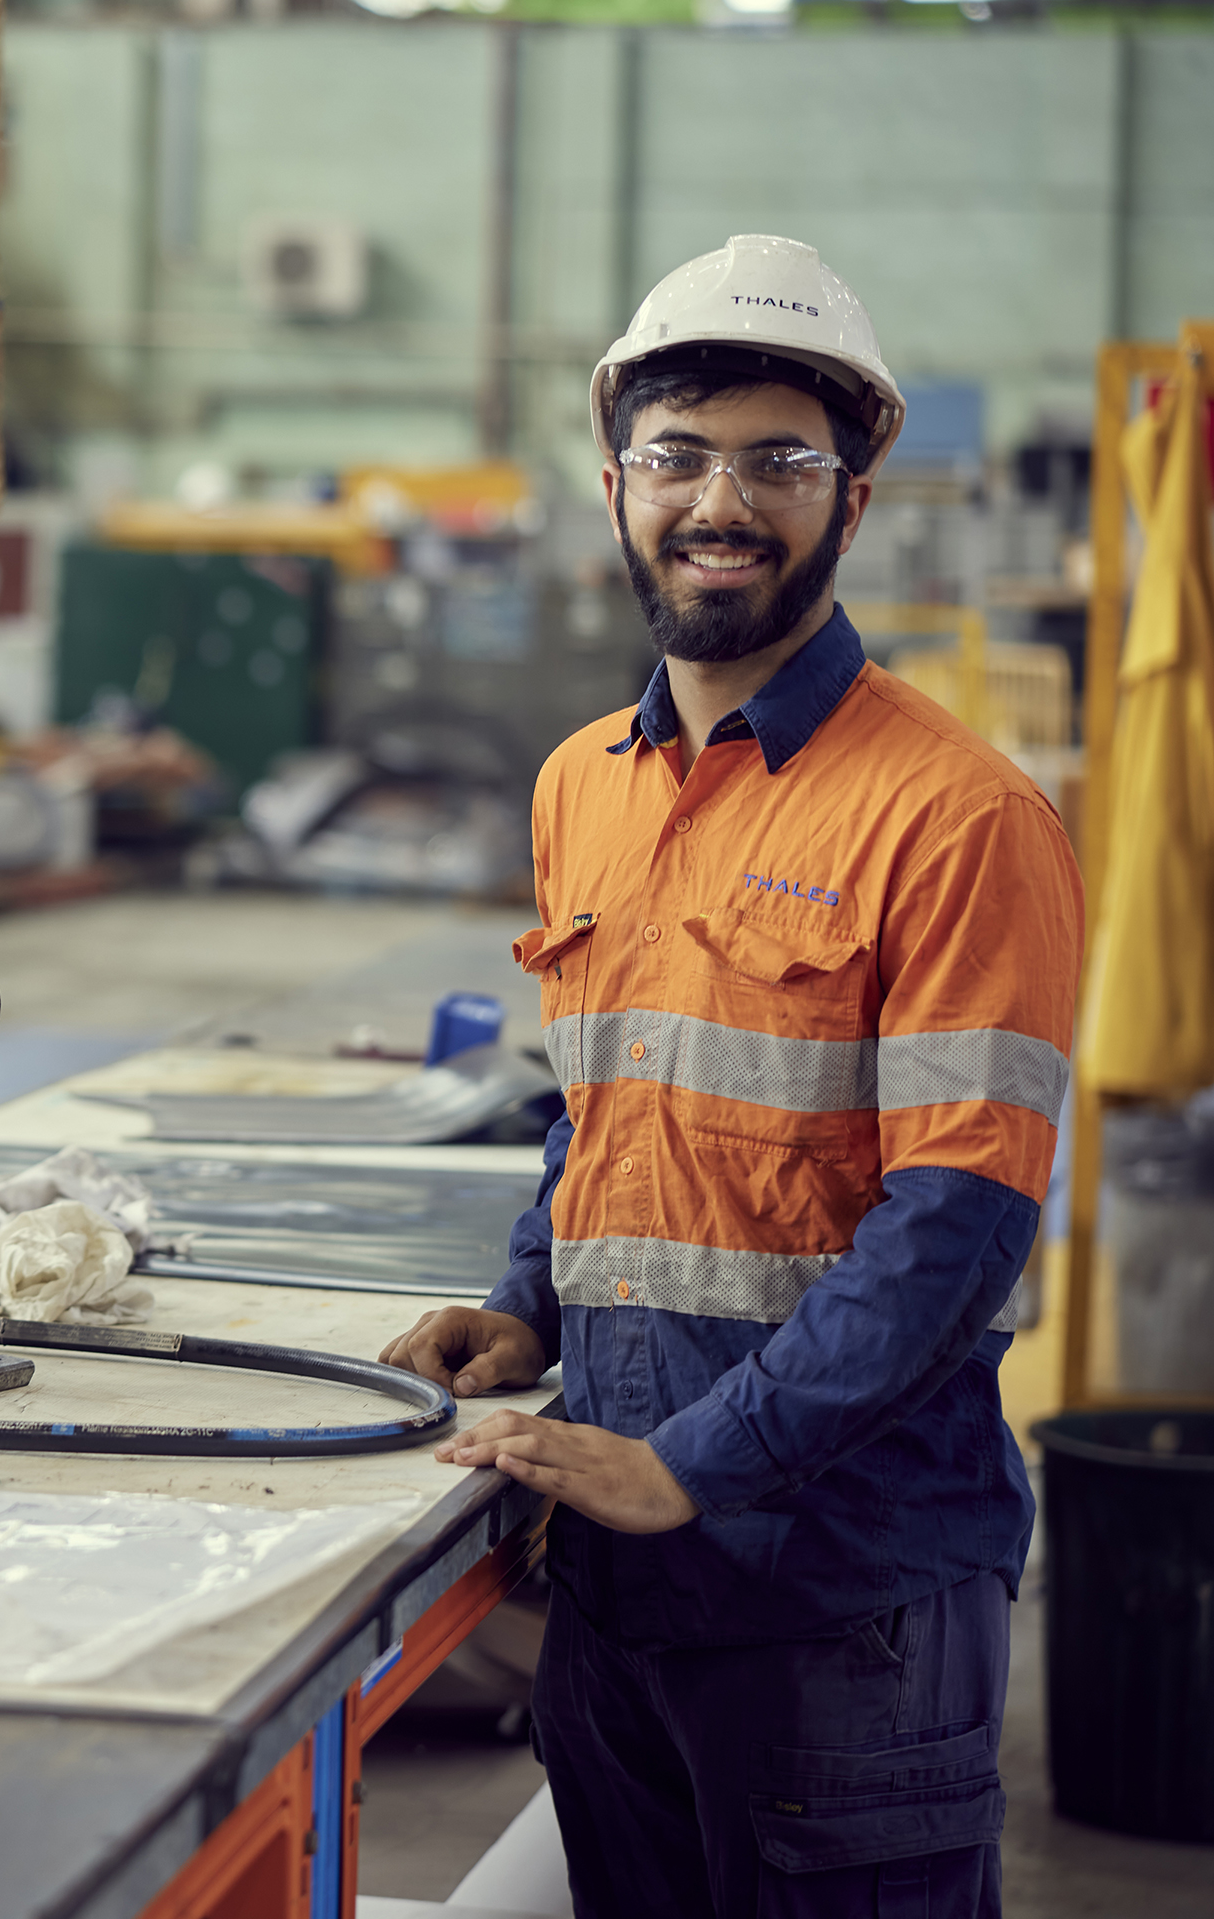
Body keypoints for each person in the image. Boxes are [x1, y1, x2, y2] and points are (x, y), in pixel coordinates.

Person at [380, 236, 1081, 1919]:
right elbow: (611, 1106)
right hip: (623, 1571)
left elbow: (958, 1223)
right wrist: (527, 1301)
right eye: (680, 457)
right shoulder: (585, 785)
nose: (723, 503)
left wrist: (698, 1459)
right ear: (618, 484)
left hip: (845, 1599)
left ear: (854, 495)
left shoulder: (961, 815)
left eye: (780, 461)